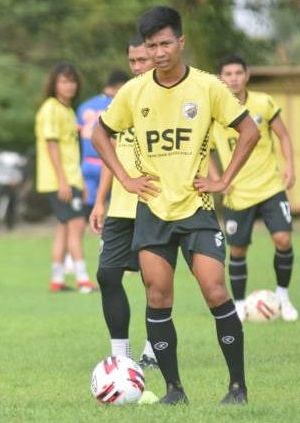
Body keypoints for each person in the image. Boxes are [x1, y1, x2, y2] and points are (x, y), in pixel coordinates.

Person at [92, 6, 260, 405]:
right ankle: (174, 391)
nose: (159, 52)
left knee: (215, 290)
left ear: (180, 42)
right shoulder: (134, 91)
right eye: (152, 46)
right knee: (157, 296)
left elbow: (249, 129)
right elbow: (101, 134)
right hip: (152, 210)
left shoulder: (207, 87)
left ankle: (237, 387)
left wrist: (224, 179)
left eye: (166, 43)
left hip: (197, 208)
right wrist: (125, 178)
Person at [209, 54, 298, 322]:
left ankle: (282, 296)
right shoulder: (214, 113)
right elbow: (206, 153)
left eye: (238, 72)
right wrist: (219, 181)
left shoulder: (263, 102)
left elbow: (283, 135)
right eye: (228, 73)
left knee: (283, 239)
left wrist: (290, 166)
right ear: (220, 79)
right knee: (238, 250)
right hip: (238, 193)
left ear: (246, 75)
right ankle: (238, 304)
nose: (234, 78)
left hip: (270, 186)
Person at [89, 34, 158, 369]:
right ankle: (121, 353)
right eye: (132, 61)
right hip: (120, 205)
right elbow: (110, 151)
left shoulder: (170, 99)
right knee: (107, 275)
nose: (136, 67)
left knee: (155, 280)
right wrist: (100, 201)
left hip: (156, 205)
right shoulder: (122, 100)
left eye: (141, 60)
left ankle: (154, 349)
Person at [35, 62, 96, 294]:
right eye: (63, 81)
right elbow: (52, 146)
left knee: (64, 227)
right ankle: (82, 280)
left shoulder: (68, 111)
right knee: (77, 225)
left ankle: (57, 280)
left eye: (72, 81)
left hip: (72, 178)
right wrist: (63, 181)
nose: (69, 85)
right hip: (60, 180)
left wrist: (78, 181)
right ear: (54, 84)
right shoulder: (50, 108)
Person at [77, 69, 130, 218]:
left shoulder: (84, 106)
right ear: (120, 86)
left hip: (86, 163)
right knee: (113, 209)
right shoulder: (118, 104)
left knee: (89, 209)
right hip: (109, 162)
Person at [0, 151, 26, 232]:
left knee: (12, 206)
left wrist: (17, 180)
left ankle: (10, 226)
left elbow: (22, 171)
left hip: (12, 184)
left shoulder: (17, 157)